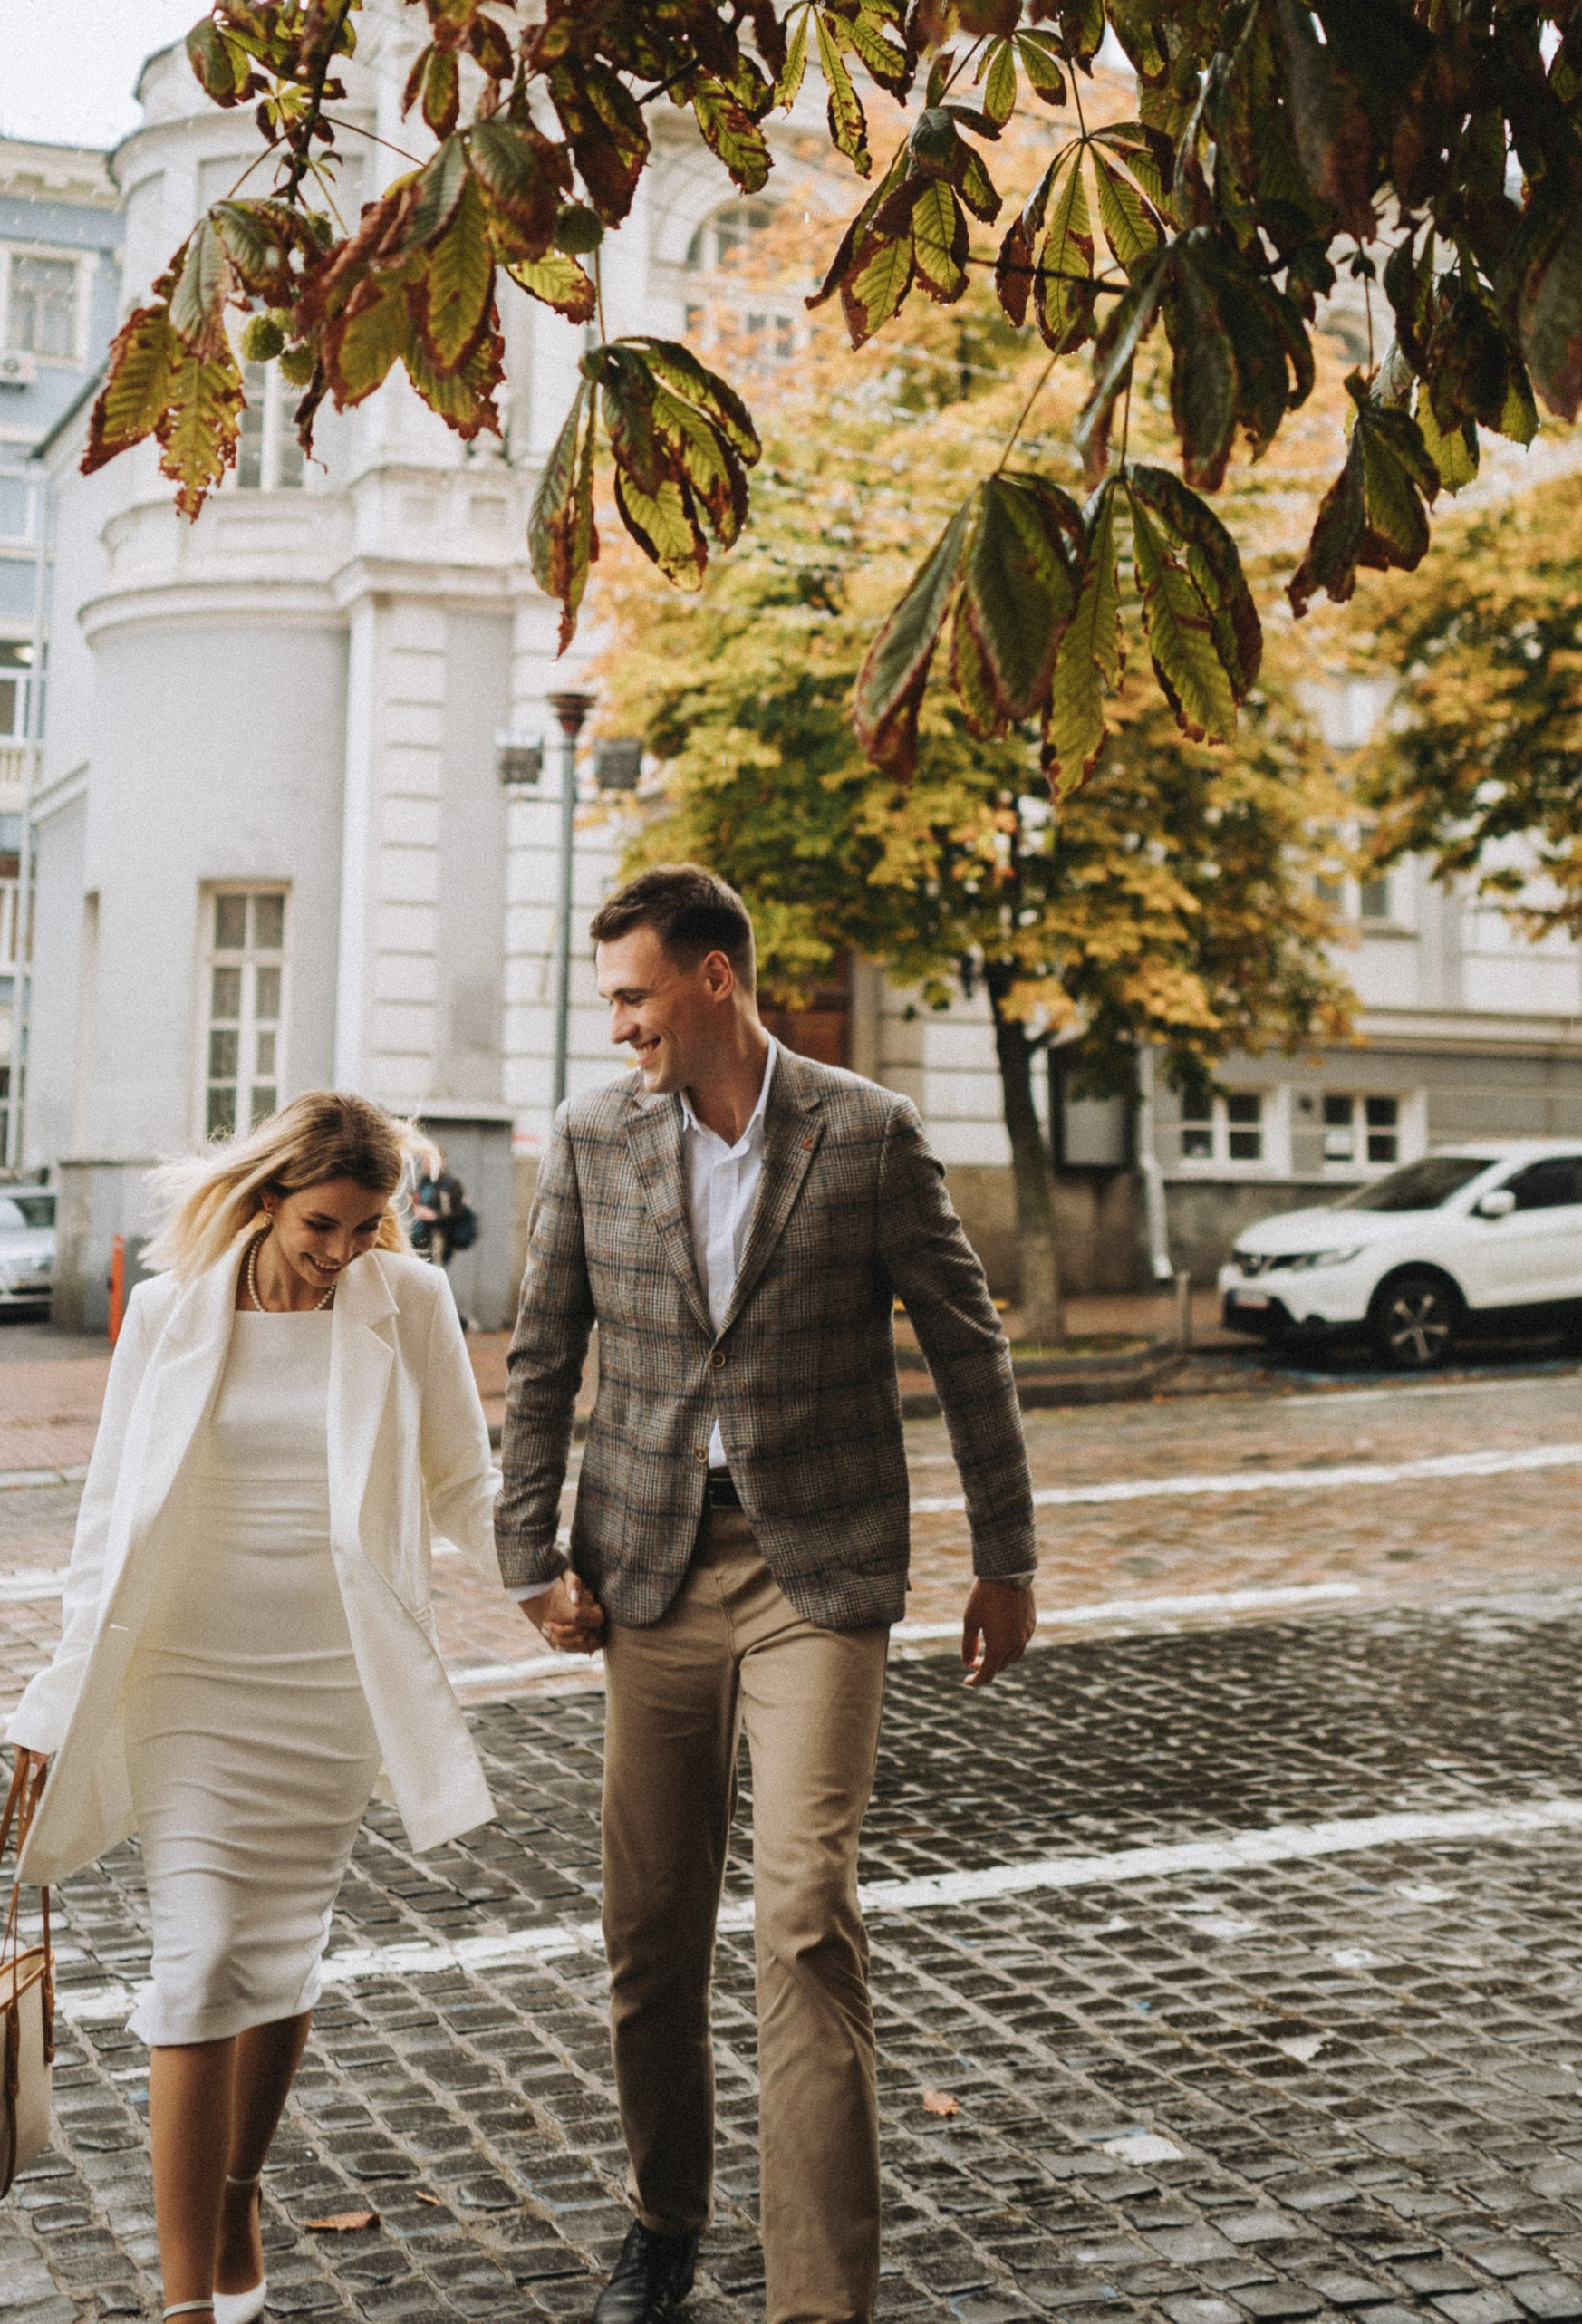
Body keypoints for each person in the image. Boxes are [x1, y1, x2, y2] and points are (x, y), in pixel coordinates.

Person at [497, 863, 1037, 2324]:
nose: (615, 1027)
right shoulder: (592, 1136)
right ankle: (664, 2218)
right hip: (648, 1574)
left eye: (632, 995)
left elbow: (969, 1342)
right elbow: (544, 1355)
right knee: (651, 1923)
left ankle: (820, 2300)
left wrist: (1007, 1557)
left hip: (822, 1567)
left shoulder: (867, 1134)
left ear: (715, 979)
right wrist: (526, 1556)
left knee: (805, 1912)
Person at [5, 1094, 502, 2324]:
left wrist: (561, 1580)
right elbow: (109, 1518)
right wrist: (53, 1701)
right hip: (188, 1673)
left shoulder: (412, 1304)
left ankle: (236, 2190)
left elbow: (463, 1486)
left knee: (278, 1951)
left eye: (367, 1229)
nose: (341, 1253)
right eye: (322, 1226)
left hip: (330, 1684)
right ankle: (185, 2305)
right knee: (205, 1954)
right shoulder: (173, 1313)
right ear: (271, 1194)